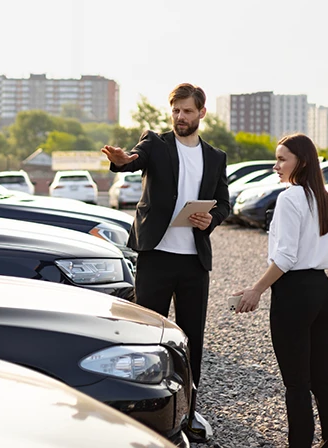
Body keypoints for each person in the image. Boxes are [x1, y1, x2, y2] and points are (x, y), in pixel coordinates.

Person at [101, 82, 230, 443]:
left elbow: (224, 202)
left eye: (188, 111)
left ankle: (188, 414)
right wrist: (122, 161)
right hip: (155, 256)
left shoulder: (216, 157)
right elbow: (132, 160)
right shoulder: (155, 144)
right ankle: (139, 415)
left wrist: (212, 218)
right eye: (176, 111)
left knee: (191, 340)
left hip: (193, 262)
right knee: (145, 338)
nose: (180, 117)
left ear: (201, 113)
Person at [233, 133, 328, 448]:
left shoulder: (289, 198)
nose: (275, 165)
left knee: (296, 383)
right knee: (322, 377)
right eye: (276, 158)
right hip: (322, 290)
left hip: (294, 293)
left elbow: (285, 258)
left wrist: (256, 289)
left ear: (302, 161)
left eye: (282, 159)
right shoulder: (326, 197)